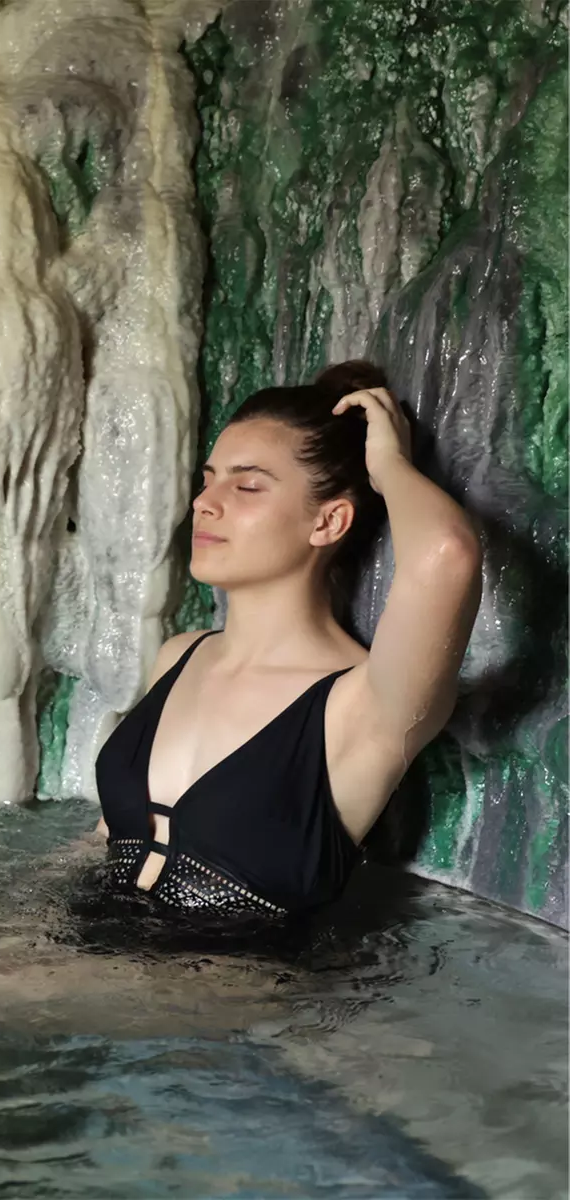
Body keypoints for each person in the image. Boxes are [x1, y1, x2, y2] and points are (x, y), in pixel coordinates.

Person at [91, 361, 482, 917]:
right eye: (209, 479)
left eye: (247, 485)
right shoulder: (180, 655)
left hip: (225, 998)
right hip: (90, 964)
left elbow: (447, 554)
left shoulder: (364, 706)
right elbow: (103, 844)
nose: (206, 502)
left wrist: (388, 466)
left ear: (328, 522)